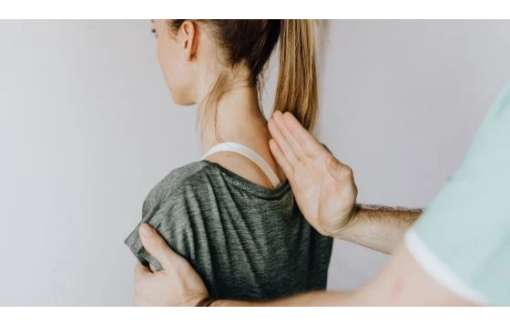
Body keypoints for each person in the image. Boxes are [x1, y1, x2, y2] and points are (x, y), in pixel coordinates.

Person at [133, 84, 510, 306]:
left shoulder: (182, 198)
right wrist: (351, 221)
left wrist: (201, 310)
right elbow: (473, 240)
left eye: (154, 30)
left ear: (188, 36)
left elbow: (390, 304)